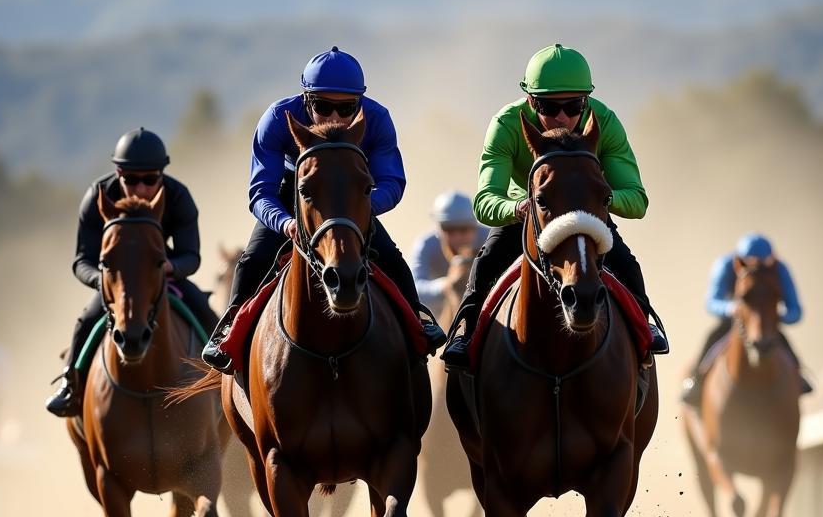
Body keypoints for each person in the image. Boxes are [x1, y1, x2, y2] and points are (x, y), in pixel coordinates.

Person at [202, 47, 446, 372]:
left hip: (350, 197)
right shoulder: (277, 119)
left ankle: (418, 326)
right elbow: (261, 191)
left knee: (392, 257)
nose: (334, 117)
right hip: (295, 192)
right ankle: (228, 335)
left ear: (360, 102)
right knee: (254, 259)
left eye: (346, 108)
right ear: (306, 100)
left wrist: (360, 207)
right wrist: (285, 223)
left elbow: (392, 181)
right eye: (323, 106)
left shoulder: (377, 119)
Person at [441, 44, 668, 369]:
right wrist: (518, 208)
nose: (561, 116)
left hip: (587, 213)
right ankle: (465, 332)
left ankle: (643, 329)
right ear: (531, 101)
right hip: (533, 210)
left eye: (573, 105)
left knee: (625, 263)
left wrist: (599, 198)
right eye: (549, 106)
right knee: (488, 260)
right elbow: (485, 201)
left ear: (586, 101)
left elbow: (636, 199)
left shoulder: (604, 122)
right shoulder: (506, 125)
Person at [45, 128, 218, 417]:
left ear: (161, 174)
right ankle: (70, 385)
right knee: (86, 321)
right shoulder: (96, 197)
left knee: (206, 312)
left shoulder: (178, 196)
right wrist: (105, 280)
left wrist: (169, 268)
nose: (140, 189)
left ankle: (229, 380)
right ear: (118, 173)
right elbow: (81, 261)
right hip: (115, 282)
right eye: (130, 180)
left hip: (162, 275)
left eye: (150, 180)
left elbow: (192, 256)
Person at [680, 233, 809, 406]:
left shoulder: (780, 269)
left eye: (763, 265)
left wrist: (777, 316)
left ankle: (799, 377)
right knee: (712, 337)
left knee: (785, 344)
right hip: (734, 320)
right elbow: (711, 302)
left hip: (768, 321)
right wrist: (731, 308)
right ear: (740, 261)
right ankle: (696, 380)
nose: (758, 269)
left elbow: (795, 310)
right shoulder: (725, 265)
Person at [410, 191, 488, 324]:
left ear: (475, 226)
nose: (457, 237)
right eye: (449, 229)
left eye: (464, 229)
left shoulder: (489, 238)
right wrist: (447, 284)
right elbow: (414, 289)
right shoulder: (426, 245)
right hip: (440, 319)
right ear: (438, 228)